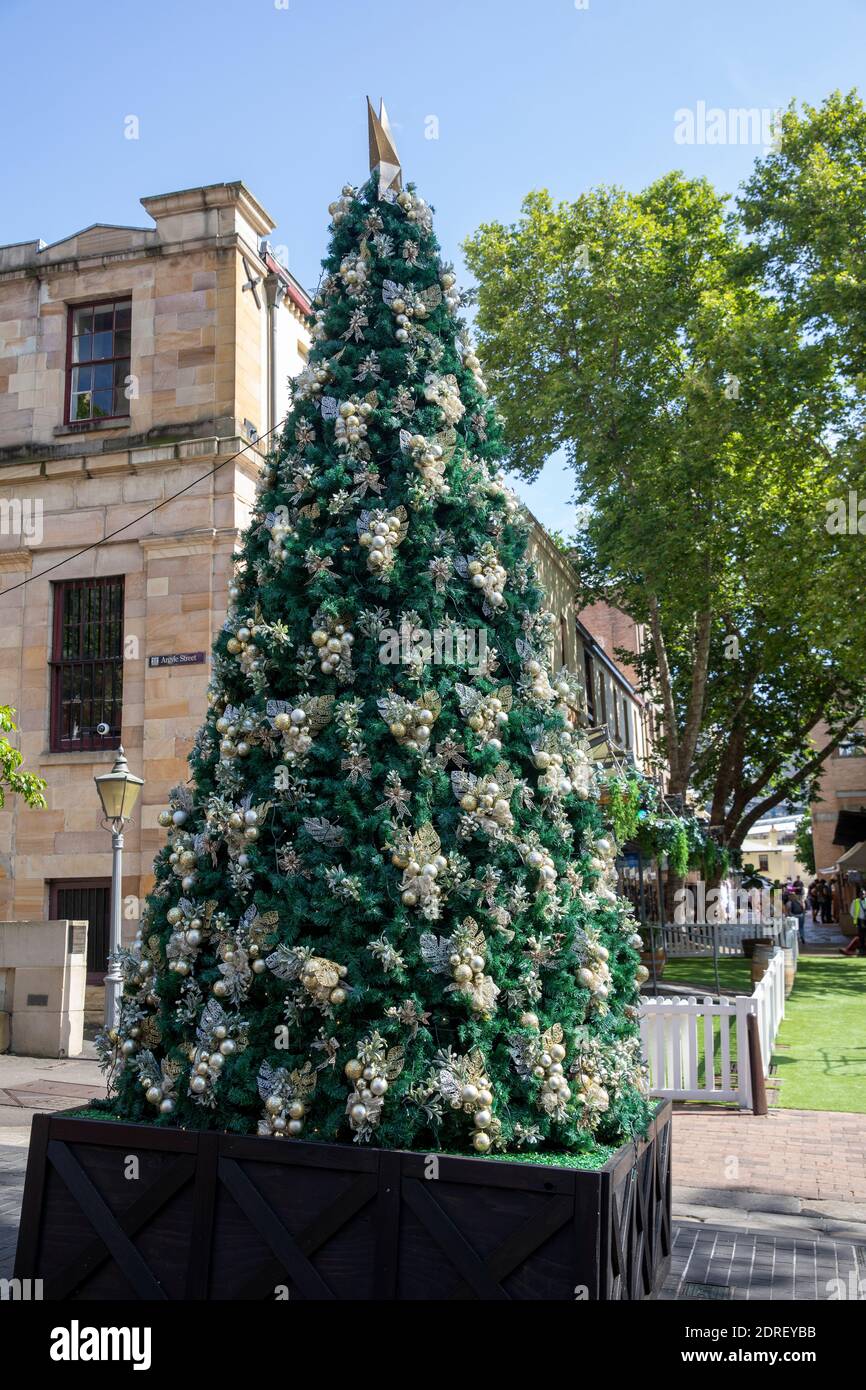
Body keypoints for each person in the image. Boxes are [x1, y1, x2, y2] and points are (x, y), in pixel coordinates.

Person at [841, 887, 866, 957]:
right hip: (860, 920)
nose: (863, 895)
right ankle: (862, 949)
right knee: (861, 936)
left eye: (864, 894)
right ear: (859, 895)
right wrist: (857, 917)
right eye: (861, 894)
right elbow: (852, 912)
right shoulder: (855, 902)